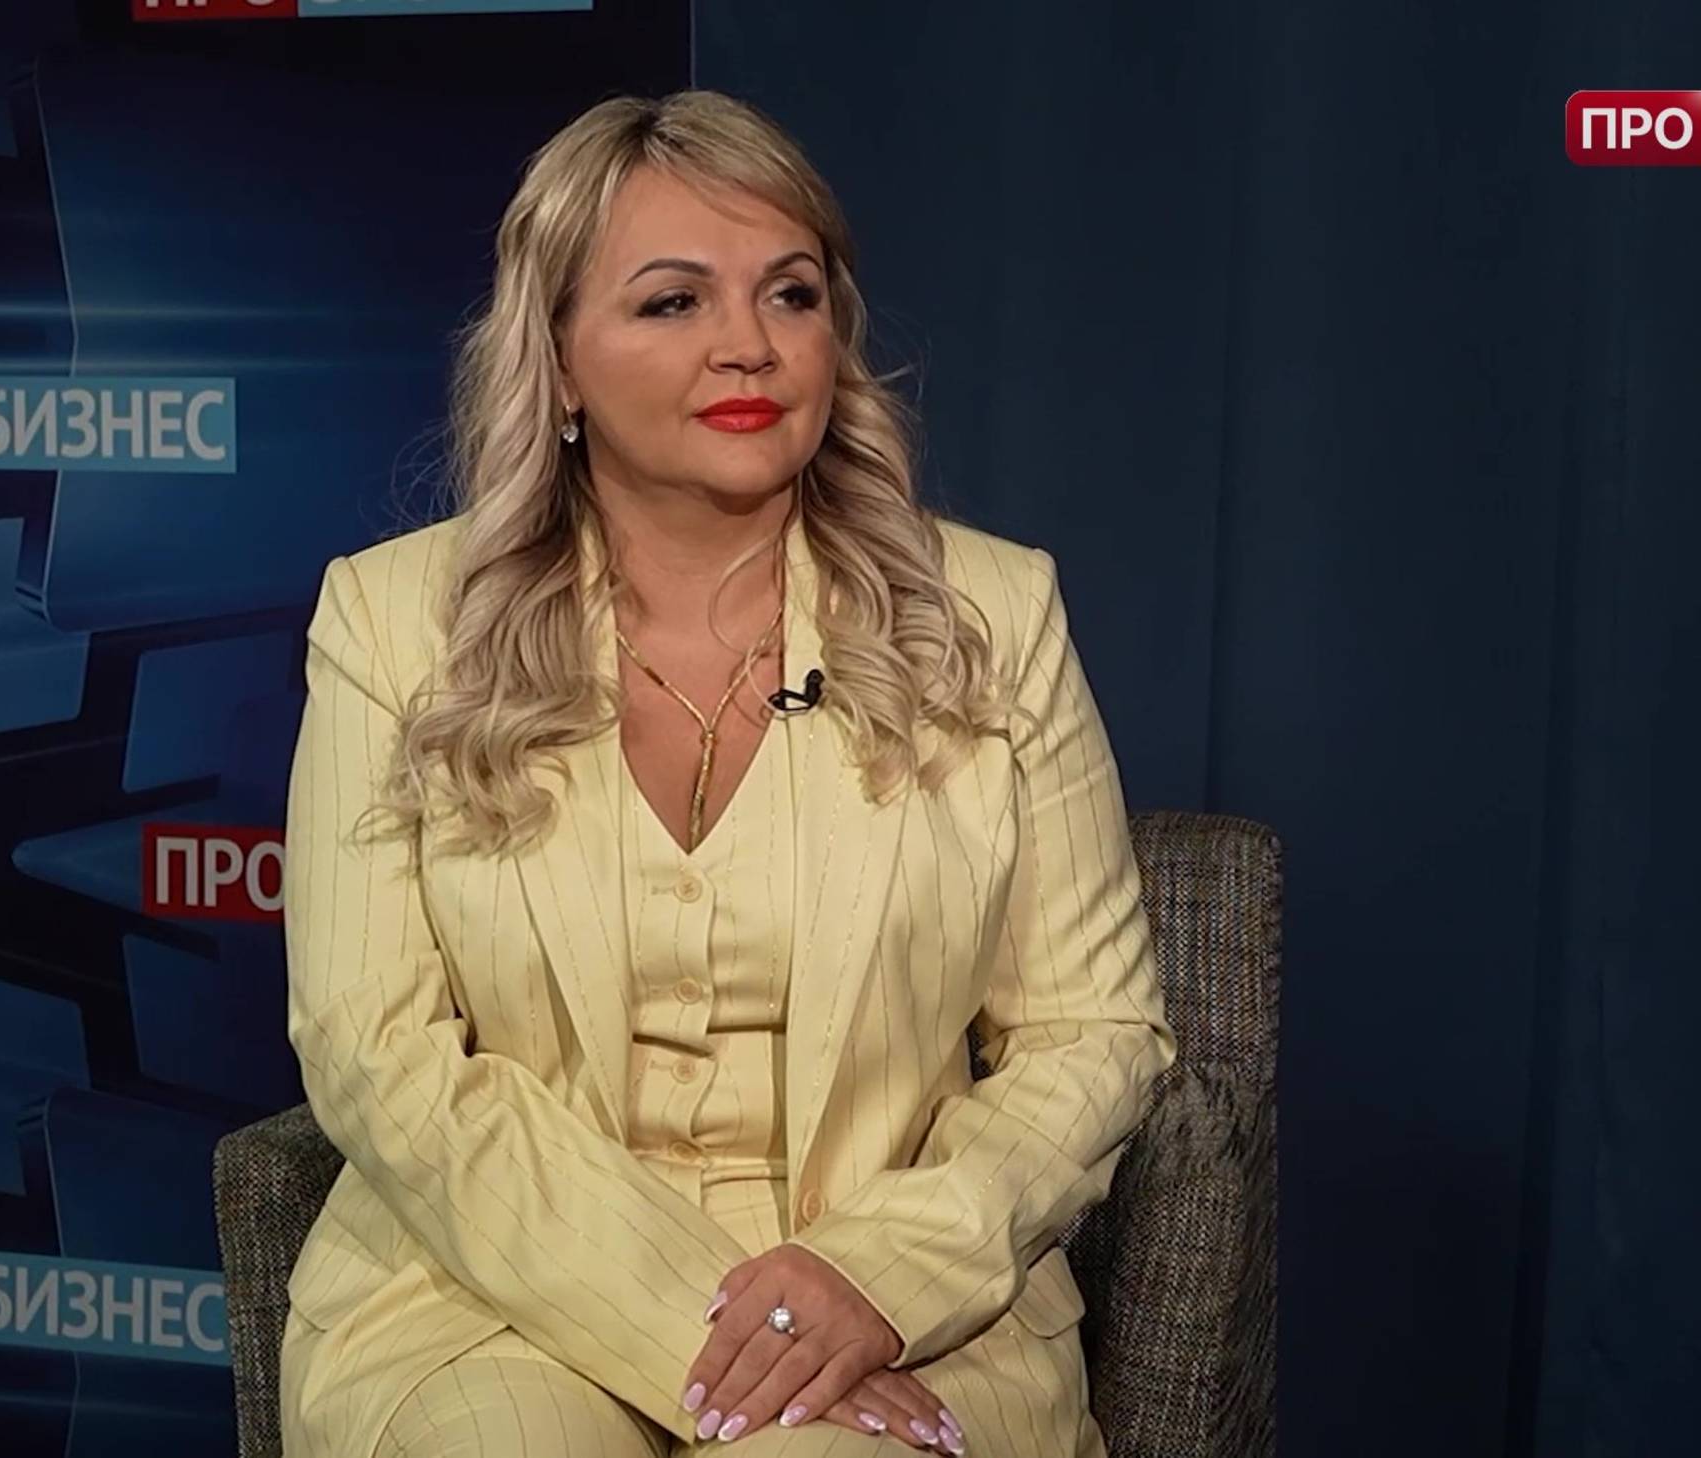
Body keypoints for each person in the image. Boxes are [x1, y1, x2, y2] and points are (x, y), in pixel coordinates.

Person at [278, 89, 1176, 1457]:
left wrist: (879, 1278)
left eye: (790, 293)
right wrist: (705, 1323)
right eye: (673, 301)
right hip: (486, 1292)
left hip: (899, 1302)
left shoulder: (993, 613)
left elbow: (1094, 1033)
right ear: (558, 360)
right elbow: (372, 1049)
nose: (748, 343)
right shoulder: (396, 622)